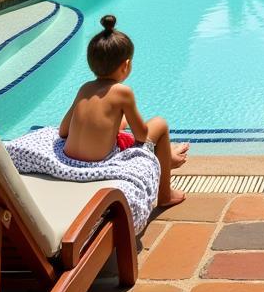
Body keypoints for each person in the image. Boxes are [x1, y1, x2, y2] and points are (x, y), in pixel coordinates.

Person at [59, 15, 188, 208]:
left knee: (120, 126)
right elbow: (142, 136)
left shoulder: (85, 89)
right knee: (160, 124)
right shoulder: (122, 92)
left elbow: (63, 131)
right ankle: (165, 195)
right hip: (97, 166)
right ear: (126, 65)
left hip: (70, 161)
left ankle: (167, 157)